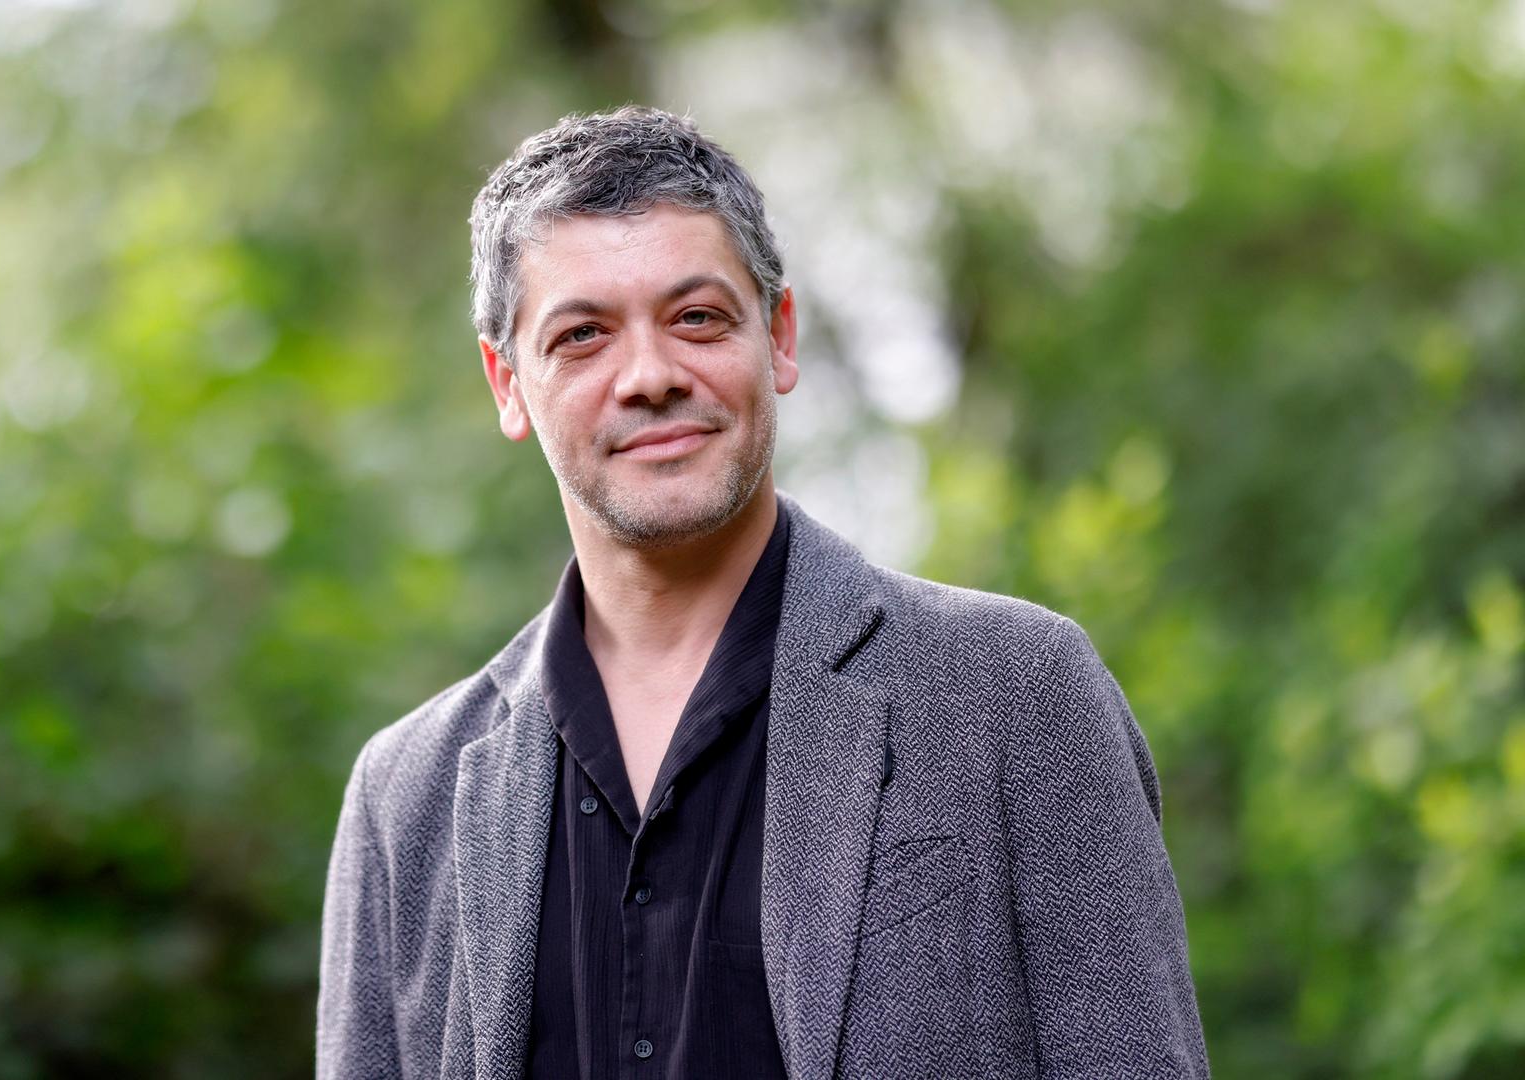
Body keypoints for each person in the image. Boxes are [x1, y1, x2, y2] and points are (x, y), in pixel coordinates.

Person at [317, 105, 1209, 1079]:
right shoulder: (405, 798)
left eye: (696, 317)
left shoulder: (1016, 693)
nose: (650, 376)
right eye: (582, 336)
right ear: (507, 384)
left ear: (778, 337)